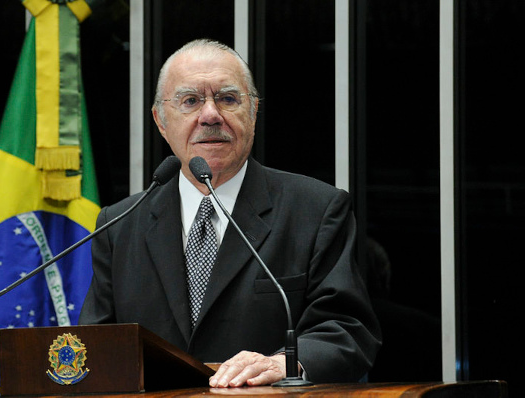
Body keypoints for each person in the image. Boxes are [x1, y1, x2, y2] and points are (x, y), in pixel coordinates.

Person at [79, 39, 381, 387]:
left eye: (227, 99)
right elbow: (97, 347)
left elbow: (348, 330)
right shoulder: (119, 225)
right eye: (190, 101)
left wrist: (284, 364)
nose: (210, 115)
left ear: (253, 112)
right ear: (161, 121)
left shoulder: (315, 210)